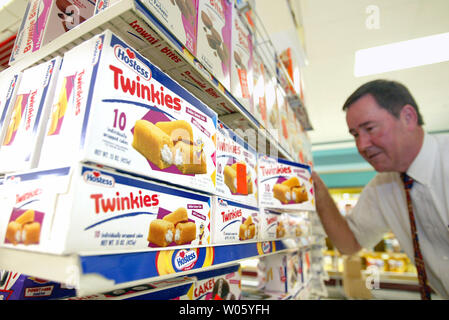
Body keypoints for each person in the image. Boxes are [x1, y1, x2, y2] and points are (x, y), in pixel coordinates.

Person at [312, 79, 449, 299]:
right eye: (355, 134)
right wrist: (318, 192)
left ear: (408, 117)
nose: (362, 145)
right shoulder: (382, 187)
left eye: (369, 128)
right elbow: (350, 244)